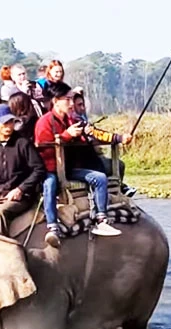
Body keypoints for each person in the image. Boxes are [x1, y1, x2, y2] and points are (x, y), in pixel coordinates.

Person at [35, 82, 122, 246]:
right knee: (50, 184)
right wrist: (66, 136)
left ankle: (101, 218)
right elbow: (43, 148)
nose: (71, 103)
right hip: (50, 169)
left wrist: (117, 138)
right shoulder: (44, 122)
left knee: (100, 178)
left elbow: (91, 134)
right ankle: (52, 226)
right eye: (67, 99)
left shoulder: (72, 119)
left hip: (70, 168)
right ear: (55, 101)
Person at [0, 105, 46, 234]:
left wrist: (21, 189)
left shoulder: (22, 143)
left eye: (11, 122)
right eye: (5, 123)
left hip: (22, 196)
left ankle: (2, 246)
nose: (9, 127)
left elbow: (39, 169)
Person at [70, 88, 136, 195]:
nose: (82, 108)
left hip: (91, 160)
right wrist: (119, 138)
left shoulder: (81, 119)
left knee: (118, 165)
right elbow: (98, 134)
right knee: (117, 166)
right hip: (81, 165)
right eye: (79, 105)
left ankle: (120, 188)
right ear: (71, 106)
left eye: (83, 105)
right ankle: (118, 190)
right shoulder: (75, 122)